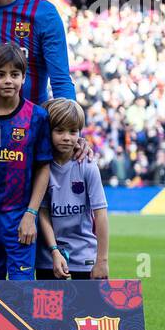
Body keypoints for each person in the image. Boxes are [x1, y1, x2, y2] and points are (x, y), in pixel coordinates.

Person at [0, 42, 52, 280]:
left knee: (22, 288)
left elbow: (43, 168)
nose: (8, 80)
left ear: (24, 78)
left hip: (19, 216)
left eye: (14, 74)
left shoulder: (37, 117)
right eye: (0, 74)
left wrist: (31, 213)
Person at [37, 98, 109, 279]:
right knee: (50, 306)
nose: (67, 137)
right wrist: (54, 250)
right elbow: (43, 211)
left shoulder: (88, 166)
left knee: (87, 307)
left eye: (73, 131)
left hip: (84, 256)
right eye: (59, 131)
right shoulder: (42, 167)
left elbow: (100, 214)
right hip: (48, 257)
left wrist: (102, 261)